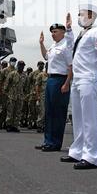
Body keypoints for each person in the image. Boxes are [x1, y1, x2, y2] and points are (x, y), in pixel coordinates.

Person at [61, 4, 97, 169]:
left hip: (89, 78)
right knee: (78, 118)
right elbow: (70, 48)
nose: (79, 17)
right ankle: (77, 151)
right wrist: (68, 30)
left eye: (81, 14)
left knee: (90, 119)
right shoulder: (82, 34)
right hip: (77, 79)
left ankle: (91, 156)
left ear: (91, 15)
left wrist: (93, 66)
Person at [37, 14, 73, 151]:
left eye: (55, 31)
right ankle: (47, 140)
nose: (53, 34)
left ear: (63, 32)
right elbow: (46, 56)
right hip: (51, 79)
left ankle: (55, 143)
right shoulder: (54, 46)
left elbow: (71, 67)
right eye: (52, 32)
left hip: (61, 80)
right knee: (49, 112)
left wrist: (67, 83)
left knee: (58, 113)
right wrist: (41, 43)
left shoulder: (66, 46)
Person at [4, 60, 27, 132]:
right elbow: (7, 84)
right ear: (18, 66)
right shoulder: (12, 74)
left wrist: (24, 95)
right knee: (10, 111)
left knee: (18, 112)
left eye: (23, 66)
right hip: (12, 96)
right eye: (20, 66)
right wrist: (6, 93)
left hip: (20, 96)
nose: (22, 67)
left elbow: (26, 87)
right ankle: (8, 125)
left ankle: (15, 125)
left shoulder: (24, 76)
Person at [0, 58, 16, 129]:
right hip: (4, 92)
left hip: (13, 93)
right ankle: (0, 122)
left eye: (14, 61)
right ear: (10, 62)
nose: (13, 63)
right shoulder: (4, 70)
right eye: (12, 61)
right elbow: (0, 81)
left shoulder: (16, 71)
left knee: (10, 109)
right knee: (3, 108)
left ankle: (7, 123)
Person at [27, 61, 45, 129]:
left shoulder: (44, 74)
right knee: (31, 109)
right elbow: (28, 83)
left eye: (42, 65)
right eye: (40, 65)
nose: (41, 66)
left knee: (39, 110)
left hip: (40, 95)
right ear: (37, 65)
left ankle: (36, 123)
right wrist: (28, 92)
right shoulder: (33, 73)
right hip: (32, 94)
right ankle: (30, 123)